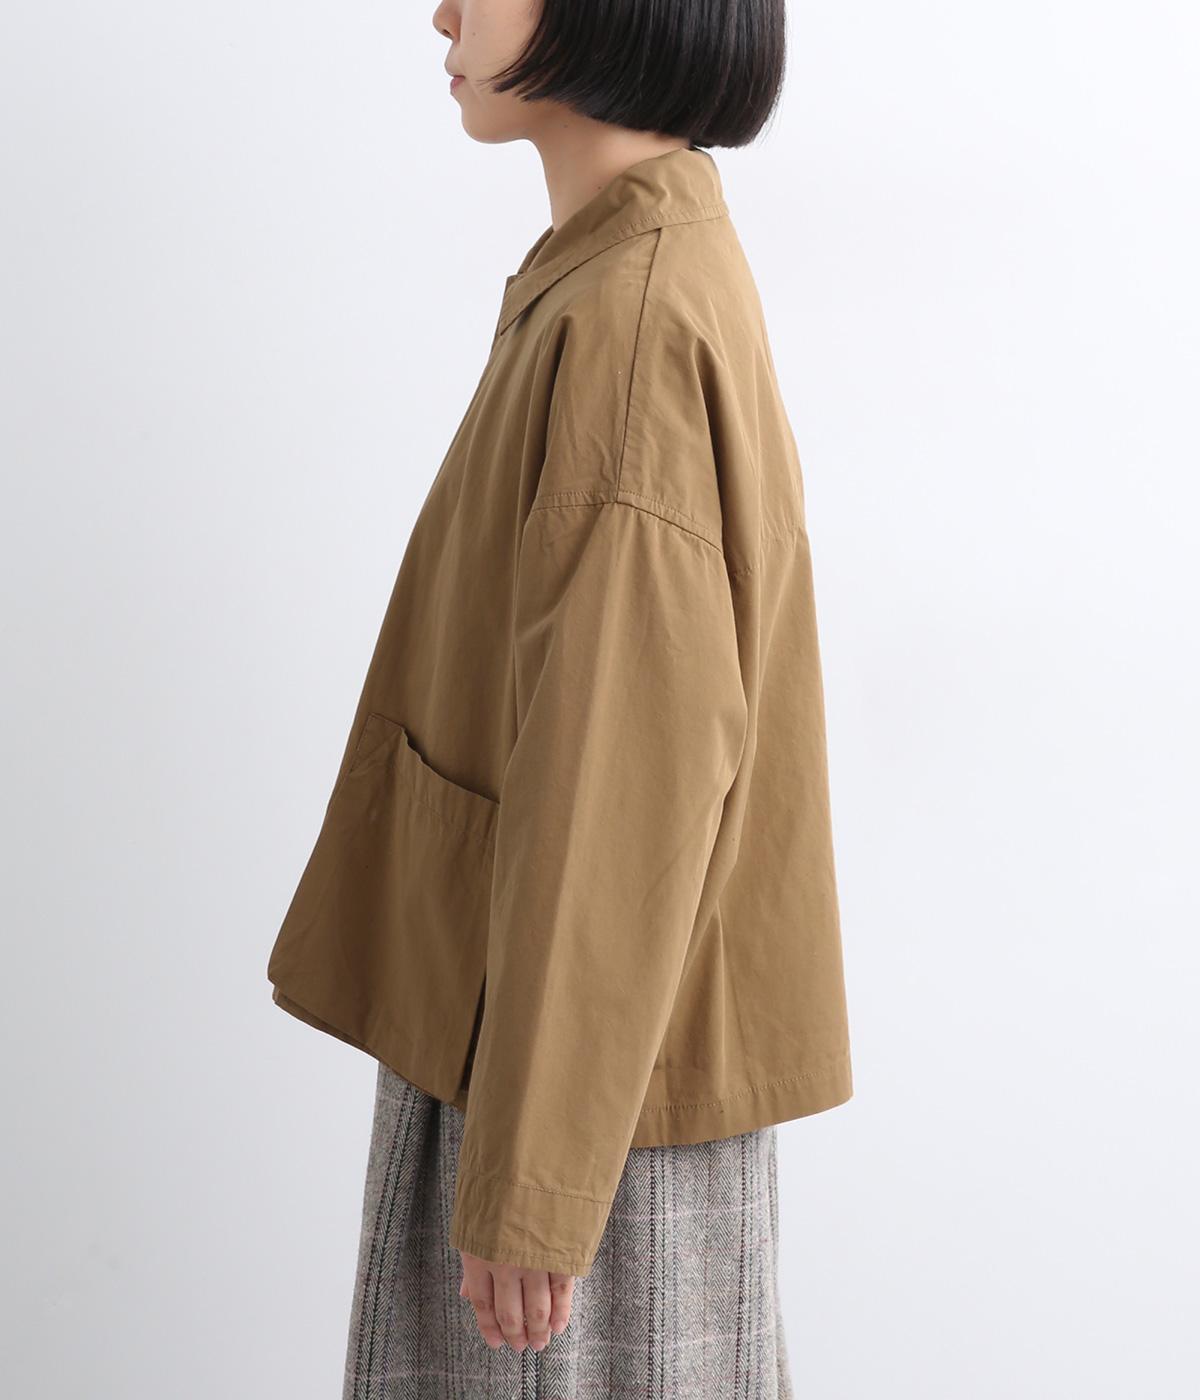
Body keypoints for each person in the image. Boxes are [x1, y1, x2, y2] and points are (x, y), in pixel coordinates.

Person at [265, 1, 853, 1395]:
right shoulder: (624, 275)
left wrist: (533, 1174)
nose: (443, 11)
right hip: (556, 1046)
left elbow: (624, 777)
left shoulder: (630, 326)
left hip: (577, 1087)